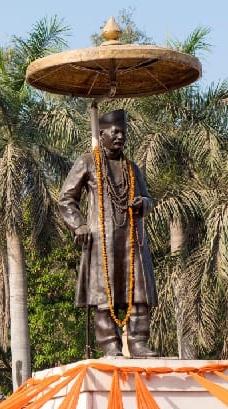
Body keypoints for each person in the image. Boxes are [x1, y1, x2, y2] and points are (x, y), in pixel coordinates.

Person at [58, 109, 158, 358]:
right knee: (104, 295)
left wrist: (143, 203)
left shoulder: (132, 167)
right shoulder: (88, 162)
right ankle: (110, 345)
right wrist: (78, 225)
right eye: (114, 132)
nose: (120, 136)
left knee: (139, 293)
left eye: (123, 132)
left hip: (132, 238)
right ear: (101, 134)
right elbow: (66, 199)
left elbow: (148, 199)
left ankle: (138, 343)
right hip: (102, 239)